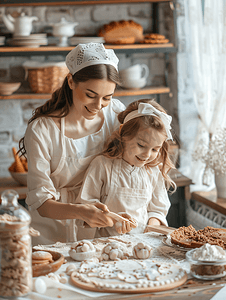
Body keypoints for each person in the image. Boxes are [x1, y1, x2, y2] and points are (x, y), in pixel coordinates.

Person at [18, 42, 127, 245]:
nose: (98, 106)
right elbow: (40, 202)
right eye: (90, 95)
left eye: (106, 97)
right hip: (48, 231)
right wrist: (79, 211)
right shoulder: (43, 129)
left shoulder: (115, 114)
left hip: (99, 229)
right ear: (70, 81)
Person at [75, 99, 176, 237]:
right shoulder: (102, 165)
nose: (147, 155)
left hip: (143, 243)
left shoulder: (152, 171)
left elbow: (158, 209)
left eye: (155, 149)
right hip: (107, 244)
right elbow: (86, 208)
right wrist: (113, 219)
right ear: (124, 133)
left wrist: (151, 226)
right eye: (141, 145)